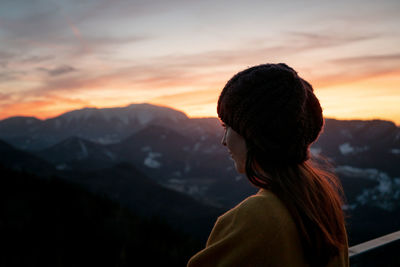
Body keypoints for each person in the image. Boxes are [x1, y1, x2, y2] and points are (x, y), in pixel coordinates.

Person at [187, 63, 349, 267]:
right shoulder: (320, 201)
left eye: (227, 126)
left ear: (256, 134)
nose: (224, 140)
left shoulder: (255, 218)